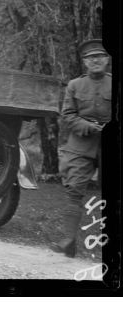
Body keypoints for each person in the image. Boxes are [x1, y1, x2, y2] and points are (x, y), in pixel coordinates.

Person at [53, 39, 112, 257]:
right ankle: (68, 241)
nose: (95, 60)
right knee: (73, 190)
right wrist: (88, 127)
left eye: (100, 56)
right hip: (80, 144)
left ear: (107, 59)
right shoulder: (74, 85)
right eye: (90, 58)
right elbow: (67, 115)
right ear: (85, 62)